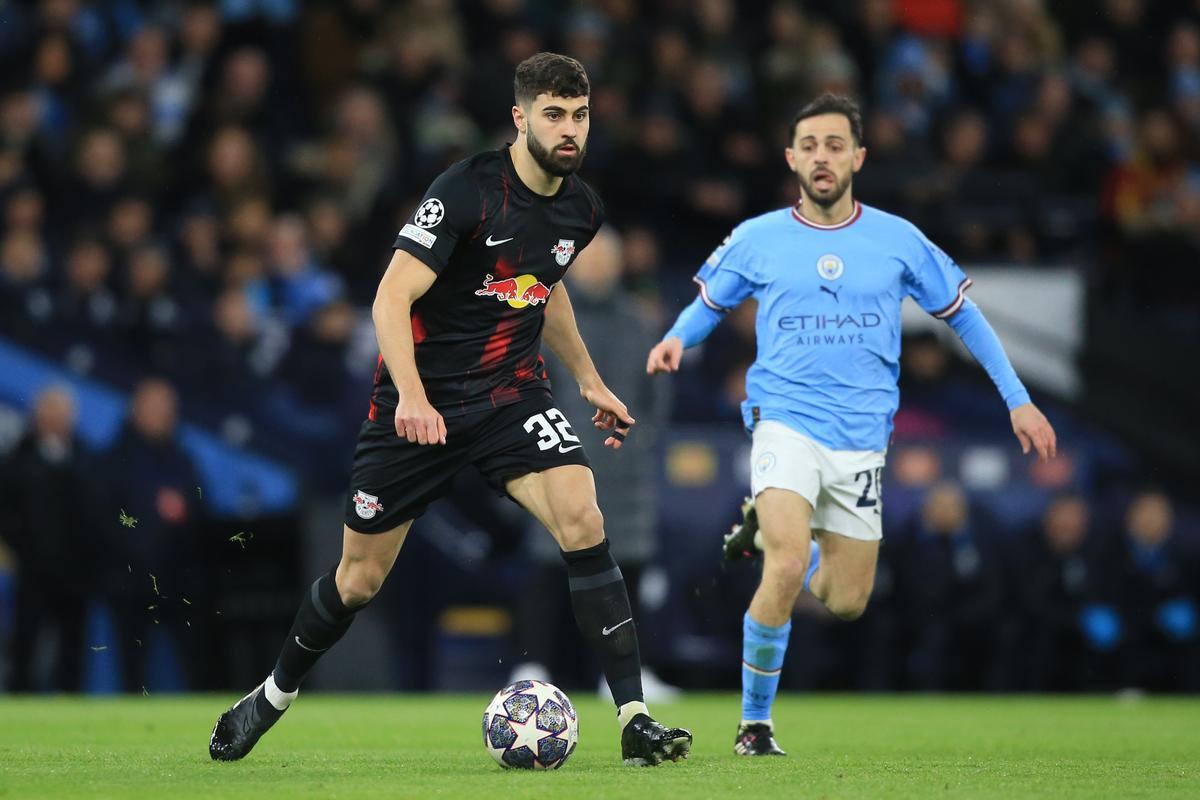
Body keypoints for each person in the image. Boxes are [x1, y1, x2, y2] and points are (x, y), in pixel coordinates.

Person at [209, 52, 692, 767]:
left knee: (583, 516)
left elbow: (543, 286)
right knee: (358, 580)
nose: (569, 130)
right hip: (419, 408)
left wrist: (587, 378)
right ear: (521, 118)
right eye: (554, 115)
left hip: (508, 397)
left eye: (580, 115)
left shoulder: (581, 209)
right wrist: (408, 395)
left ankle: (634, 719)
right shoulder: (467, 190)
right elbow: (390, 297)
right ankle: (272, 696)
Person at [646, 93, 1057, 756]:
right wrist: (674, 340)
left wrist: (1017, 398)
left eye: (835, 144)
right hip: (783, 421)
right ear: (790, 158)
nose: (822, 157)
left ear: (859, 156)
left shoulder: (897, 239)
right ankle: (755, 726)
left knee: (845, 599)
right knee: (778, 568)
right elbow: (708, 301)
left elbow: (964, 316)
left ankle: (799, 547)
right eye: (809, 145)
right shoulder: (759, 236)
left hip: (862, 439)